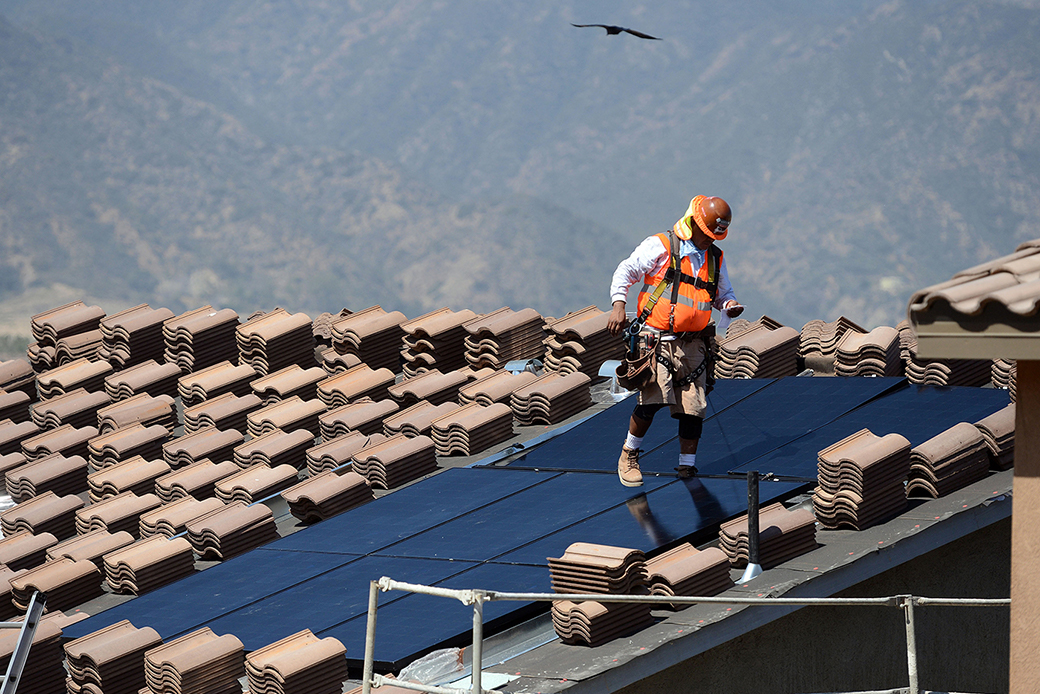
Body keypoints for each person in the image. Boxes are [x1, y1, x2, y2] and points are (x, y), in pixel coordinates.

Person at [606, 195, 744, 487]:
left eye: (715, 236)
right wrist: (619, 304)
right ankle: (629, 454)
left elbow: (722, 293)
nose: (710, 241)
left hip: (693, 343)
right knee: (653, 399)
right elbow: (626, 270)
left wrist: (729, 305)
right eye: (707, 234)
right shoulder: (662, 246)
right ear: (694, 224)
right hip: (656, 339)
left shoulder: (714, 258)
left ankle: (686, 467)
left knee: (694, 407)